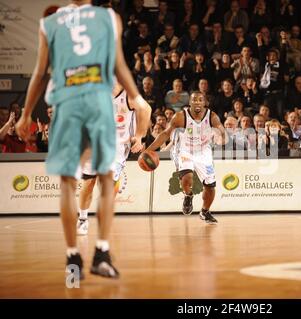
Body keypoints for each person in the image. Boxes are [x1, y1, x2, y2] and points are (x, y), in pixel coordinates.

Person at [15, 0, 149, 279]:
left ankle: (73, 259)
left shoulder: (48, 22)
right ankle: (101, 253)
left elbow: (40, 72)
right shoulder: (108, 17)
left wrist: (26, 114)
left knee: (68, 183)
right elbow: (118, 64)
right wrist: (135, 95)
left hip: (67, 104)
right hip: (97, 103)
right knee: (107, 178)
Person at [77, 83, 151, 235]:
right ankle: (83, 219)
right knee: (88, 183)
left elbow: (146, 109)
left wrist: (139, 136)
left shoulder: (128, 95)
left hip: (117, 147)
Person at [145, 92, 228, 224]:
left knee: (210, 187)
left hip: (203, 152)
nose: (197, 102)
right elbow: (166, 134)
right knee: (187, 177)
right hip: (185, 150)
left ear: (204, 103)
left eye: (200, 100)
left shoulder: (211, 116)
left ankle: (205, 212)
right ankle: (188, 195)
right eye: (194, 99)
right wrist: (148, 150)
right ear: (190, 102)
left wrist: (221, 136)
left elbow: (221, 132)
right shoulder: (180, 116)